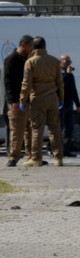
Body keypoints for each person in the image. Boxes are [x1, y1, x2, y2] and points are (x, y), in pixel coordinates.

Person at [19, 37, 64, 167]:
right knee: (54, 128)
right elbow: (60, 82)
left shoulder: (30, 62)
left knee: (37, 128)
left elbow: (26, 83)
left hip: (37, 99)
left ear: (33, 47)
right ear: (45, 46)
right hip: (52, 99)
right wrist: (61, 98)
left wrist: (22, 100)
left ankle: (36, 158)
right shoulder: (55, 61)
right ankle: (58, 157)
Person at [3, 35, 34, 167]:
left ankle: (31, 156)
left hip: (29, 100)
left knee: (30, 130)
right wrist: (14, 100)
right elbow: (8, 81)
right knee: (17, 130)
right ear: (24, 45)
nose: (32, 48)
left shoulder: (28, 59)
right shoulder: (11, 60)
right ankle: (13, 157)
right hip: (17, 101)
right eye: (31, 46)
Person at [59, 55, 80, 157]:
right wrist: (67, 74)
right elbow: (61, 85)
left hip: (69, 104)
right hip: (60, 105)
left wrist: (78, 105)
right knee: (60, 128)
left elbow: (74, 91)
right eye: (67, 61)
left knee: (69, 128)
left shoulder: (70, 75)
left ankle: (66, 149)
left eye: (70, 61)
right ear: (61, 62)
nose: (69, 64)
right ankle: (54, 148)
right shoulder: (58, 73)